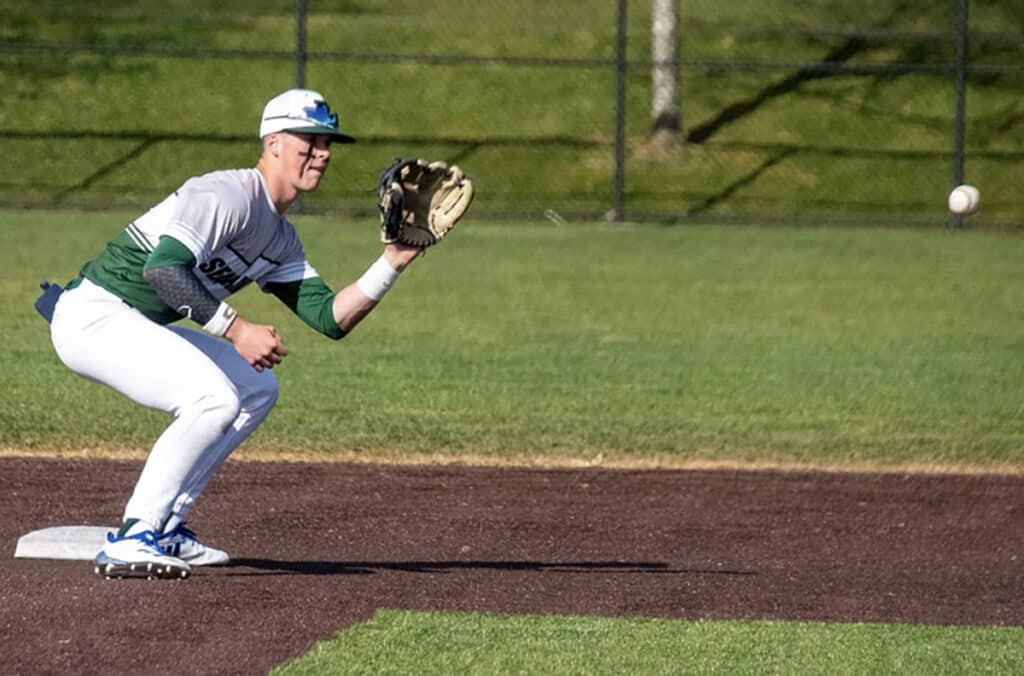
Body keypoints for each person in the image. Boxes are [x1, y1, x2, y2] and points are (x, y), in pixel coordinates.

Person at [44, 88, 421, 579]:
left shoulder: (280, 237)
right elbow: (163, 271)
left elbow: (330, 318)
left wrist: (392, 262)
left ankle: (165, 527)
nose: (322, 152)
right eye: (310, 139)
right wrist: (236, 328)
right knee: (213, 397)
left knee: (255, 387)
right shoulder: (227, 194)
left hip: (126, 320)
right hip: (93, 315)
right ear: (274, 142)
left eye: (327, 142)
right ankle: (134, 536)